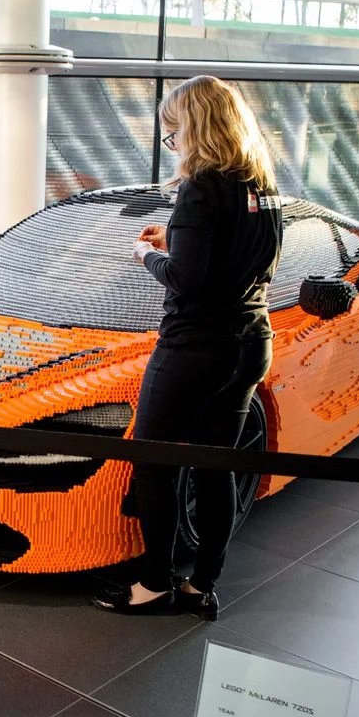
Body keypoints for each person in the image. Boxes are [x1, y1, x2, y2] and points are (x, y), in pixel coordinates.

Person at [94, 75, 282, 618]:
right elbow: (239, 259)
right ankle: (202, 584)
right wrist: (176, 239)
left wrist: (147, 255)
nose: (171, 143)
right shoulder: (261, 183)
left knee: (155, 465)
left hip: (195, 349)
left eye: (173, 132)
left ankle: (154, 585)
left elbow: (188, 280)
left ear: (196, 128)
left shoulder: (201, 186)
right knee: (214, 467)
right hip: (250, 343)